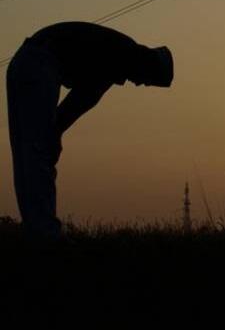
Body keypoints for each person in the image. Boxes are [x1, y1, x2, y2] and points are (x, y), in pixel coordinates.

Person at [6, 21, 174, 239]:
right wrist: (55, 132)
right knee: (37, 152)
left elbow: (78, 103)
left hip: (25, 61)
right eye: (147, 80)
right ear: (148, 65)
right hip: (39, 62)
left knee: (28, 152)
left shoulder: (119, 54)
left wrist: (55, 131)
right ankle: (43, 232)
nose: (141, 84)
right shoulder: (120, 56)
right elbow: (81, 100)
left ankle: (36, 228)